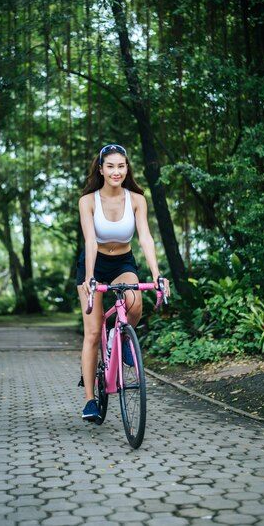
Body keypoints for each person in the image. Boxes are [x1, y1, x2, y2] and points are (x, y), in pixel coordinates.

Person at [77, 143, 170, 421]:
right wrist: (90, 277)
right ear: (101, 170)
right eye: (110, 166)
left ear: (126, 168)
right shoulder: (88, 201)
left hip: (123, 262)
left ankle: (124, 340)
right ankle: (91, 400)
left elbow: (145, 238)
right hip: (93, 262)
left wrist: (156, 274)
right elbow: (90, 241)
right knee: (93, 333)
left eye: (121, 166)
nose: (116, 171)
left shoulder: (137, 199)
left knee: (135, 301)